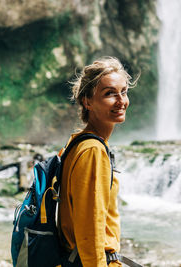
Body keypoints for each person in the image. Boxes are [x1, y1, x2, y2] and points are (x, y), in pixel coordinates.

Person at [59, 57, 136, 267]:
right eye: (109, 93)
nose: (121, 101)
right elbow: (90, 233)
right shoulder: (93, 151)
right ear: (87, 101)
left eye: (124, 91)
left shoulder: (77, 142)